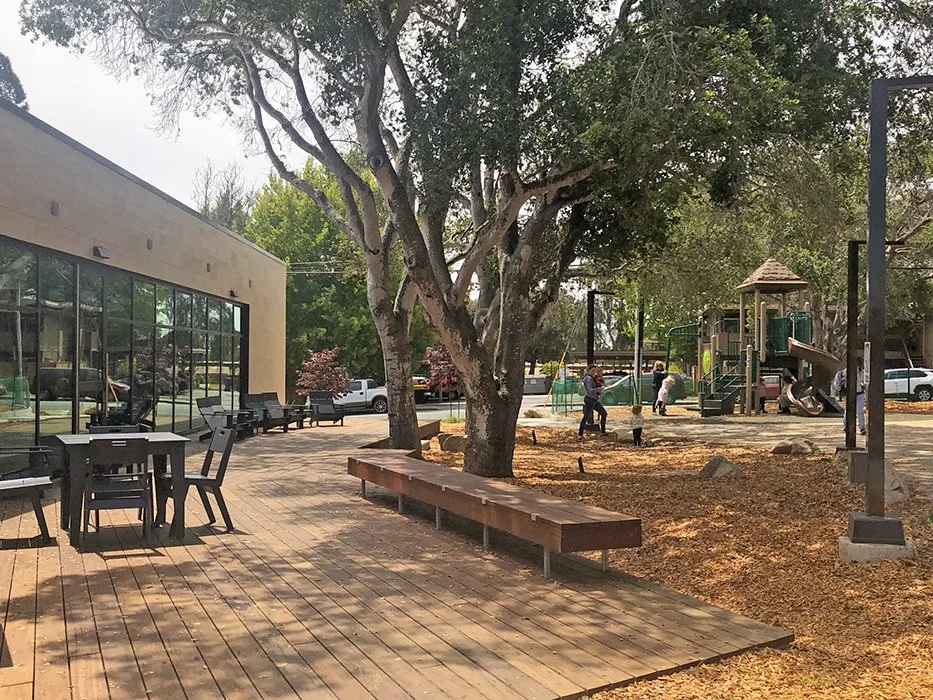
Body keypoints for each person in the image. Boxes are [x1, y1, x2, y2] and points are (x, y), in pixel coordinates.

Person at [578, 366, 608, 440]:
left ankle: (603, 431)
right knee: (586, 417)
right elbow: (590, 390)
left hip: (594, 400)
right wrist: (599, 389)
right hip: (589, 400)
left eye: (595, 371)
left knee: (604, 413)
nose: (594, 372)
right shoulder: (588, 378)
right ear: (588, 370)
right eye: (592, 370)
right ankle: (580, 434)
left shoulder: (592, 378)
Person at [839, 365, 867, 435]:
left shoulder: (862, 371)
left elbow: (864, 381)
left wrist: (863, 385)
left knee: (859, 411)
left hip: (859, 394)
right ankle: (846, 426)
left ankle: (862, 428)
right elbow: (843, 378)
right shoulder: (846, 371)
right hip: (849, 394)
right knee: (848, 411)